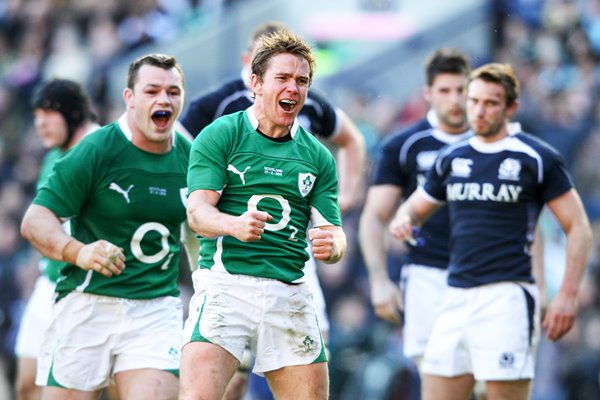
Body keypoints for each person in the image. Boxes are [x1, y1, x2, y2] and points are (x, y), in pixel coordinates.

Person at [178, 21, 364, 399]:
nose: (293, 88)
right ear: (256, 82)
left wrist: (335, 245)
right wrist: (233, 225)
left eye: (302, 80)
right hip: (227, 286)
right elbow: (197, 213)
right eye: (283, 78)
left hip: (290, 290)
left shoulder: (318, 156)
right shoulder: (220, 132)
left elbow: (335, 231)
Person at [389, 63, 592, 400]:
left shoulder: (536, 158)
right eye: (474, 101)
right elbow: (415, 206)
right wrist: (402, 219)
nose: (479, 111)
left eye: (491, 102)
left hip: (507, 297)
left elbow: (579, 227)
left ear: (511, 107)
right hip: (455, 295)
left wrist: (566, 296)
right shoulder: (451, 158)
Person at [20, 53, 194, 400]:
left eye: (173, 92)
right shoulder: (97, 150)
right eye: (152, 91)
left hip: (155, 309)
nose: (164, 99)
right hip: (88, 303)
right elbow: (36, 220)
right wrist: (80, 251)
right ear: (129, 98)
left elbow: (206, 234)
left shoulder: (192, 156)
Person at [359, 48, 471, 367]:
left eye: (461, 90)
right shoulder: (404, 144)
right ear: (428, 93)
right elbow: (375, 216)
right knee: (434, 373)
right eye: (445, 91)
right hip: (427, 274)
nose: (454, 99)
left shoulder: (491, 141)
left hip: (485, 272)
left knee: (485, 381)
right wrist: (379, 281)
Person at [14, 79, 100, 400]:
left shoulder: (103, 147)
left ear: (73, 113)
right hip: (50, 280)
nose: (40, 123)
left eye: (48, 113)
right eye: (36, 115)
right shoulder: (53, 154)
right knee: (26, 383)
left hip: (87, 288)